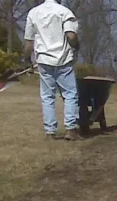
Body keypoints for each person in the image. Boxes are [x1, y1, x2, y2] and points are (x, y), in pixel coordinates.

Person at [23, 0, 82, 141]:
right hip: (63, 60)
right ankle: (71, 129)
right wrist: (76, 47)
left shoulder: (33, 13)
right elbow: (71, 36)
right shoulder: (64, 12)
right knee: (70, 94)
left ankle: (50, 132)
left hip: (43, 60)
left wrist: (27, 60)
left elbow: (28, 41)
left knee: (47, 97)